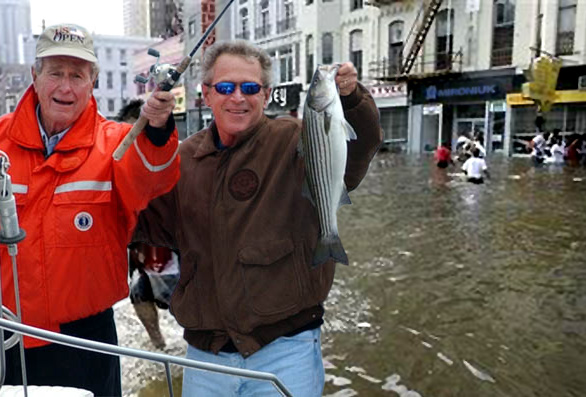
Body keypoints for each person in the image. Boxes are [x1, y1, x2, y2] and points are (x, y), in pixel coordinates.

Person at [133, 40, 383, 396]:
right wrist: (150, 142)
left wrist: (353, 100)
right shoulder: (181, 159)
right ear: (206, 93)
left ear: (266, 95)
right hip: (207, 357)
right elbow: (140, 218)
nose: (238, 97)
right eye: (226, 87)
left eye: (250, 88)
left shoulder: (296, 139)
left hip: (286, 350)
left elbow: (358, 149)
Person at [0, 23, 180, 395]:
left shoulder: (118, 143)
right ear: (35, 76)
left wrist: (159, 130)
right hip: (5, 333)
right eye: (56, 73)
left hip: (84, 342)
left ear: (93, 81)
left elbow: (152, 178)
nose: (66, 87)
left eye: (77, 75)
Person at [117, 99, 180, 350]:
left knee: (185, 303)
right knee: (139, 292)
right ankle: (160, 347)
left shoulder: (171, 160)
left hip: (178, 246)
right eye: (127, 135)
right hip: (144, 247)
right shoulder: (118, 163)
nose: (133, 143)